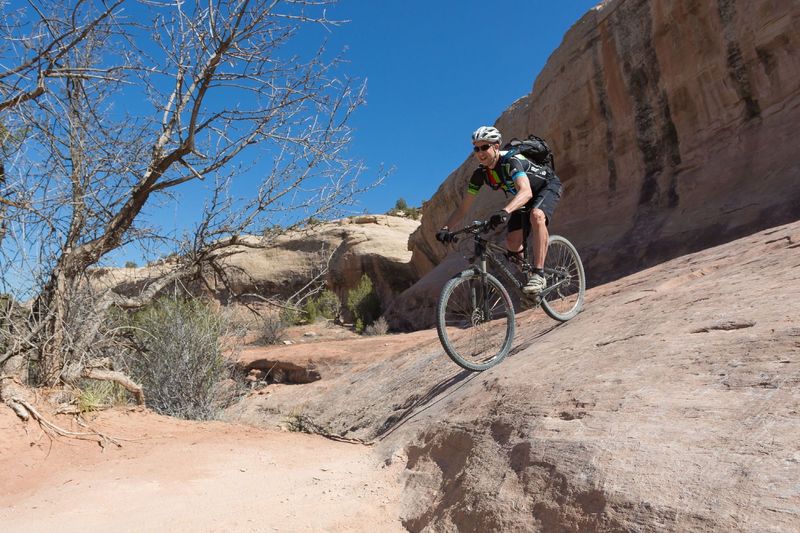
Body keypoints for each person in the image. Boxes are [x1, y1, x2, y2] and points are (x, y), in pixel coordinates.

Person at [435, 126, 562, 294]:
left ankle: (538, 274)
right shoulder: (480, 175)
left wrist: (505, 211)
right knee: (512, 242)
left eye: (484, 147)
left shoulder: (511, 161)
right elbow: (464, 208)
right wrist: (446, 228)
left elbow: (526, 191)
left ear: (495, 146)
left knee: (537, 215)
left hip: (546, 186)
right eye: (476, 148)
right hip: (523, 198)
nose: (480, 152)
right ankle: (530, 280)